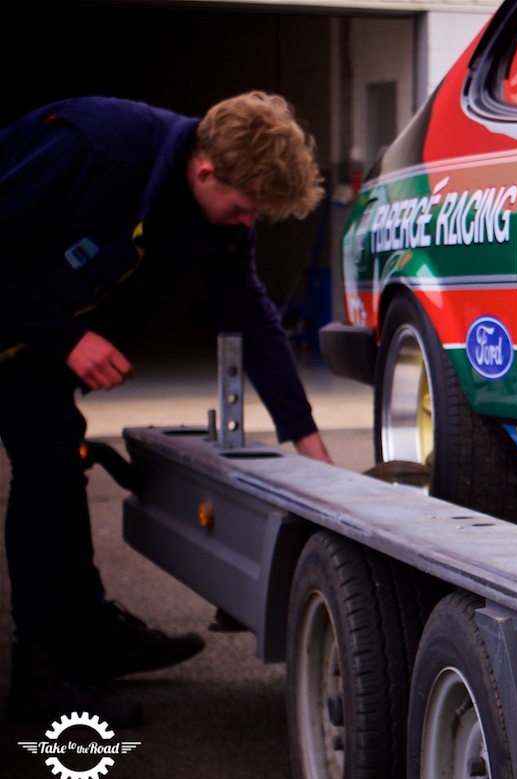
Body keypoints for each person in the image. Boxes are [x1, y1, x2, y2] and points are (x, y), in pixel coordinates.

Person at [0, 91, 330, 726]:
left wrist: (305, 437)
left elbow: (251, 319)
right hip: (14, 313)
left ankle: (88, 628)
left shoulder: (213, 212)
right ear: (207, 172)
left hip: (34, 329)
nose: (244, 222)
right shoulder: (91, 149)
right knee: (45, 468)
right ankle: (39, 673)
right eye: (242, 208)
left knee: (58, 460)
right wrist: (65, 338)